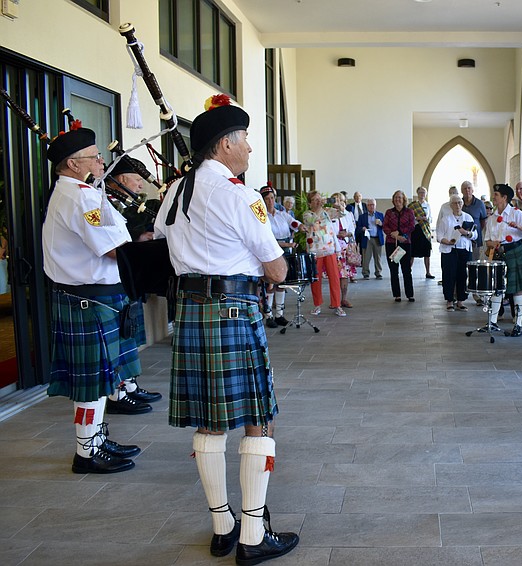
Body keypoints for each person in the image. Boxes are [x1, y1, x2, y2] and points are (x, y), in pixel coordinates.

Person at [154, 94, 299, 561]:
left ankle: (223, 527)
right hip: (234, 310)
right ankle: (254, 537)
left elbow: (157, 240)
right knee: (259, 418)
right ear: (223, 145)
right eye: (245, 140)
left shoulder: (175, 192)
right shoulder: (239, 194)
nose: (250, 149)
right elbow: (276, 271)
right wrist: (277, 260)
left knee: (209, 423)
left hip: (192, 312)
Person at [43, 125, 143, 474]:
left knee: (101, 381)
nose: (102, 161)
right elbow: (113, 248)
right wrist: (151, 255)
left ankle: (96, 439)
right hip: (88, 301)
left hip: (91, 299)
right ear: (73, 163)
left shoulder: (81, 192)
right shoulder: (80, 197)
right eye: (94, 156)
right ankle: (86, 451)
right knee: (91, 385)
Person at [103, 156, 163, 406]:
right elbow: (112, 243)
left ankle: (129, 385)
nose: (140, 185)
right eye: (137, 179)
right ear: (122, 179)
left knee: (127, 337)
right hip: (108, 279)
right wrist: (139, 239)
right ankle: (117, 392)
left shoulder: (124, 203)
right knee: (117, 341)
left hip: (124, 277)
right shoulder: (103, 203)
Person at [485, 184, 522, 337]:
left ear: (504, 198)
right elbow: (487, 240)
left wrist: (518, 226)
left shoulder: (516, 214)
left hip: (516, 252)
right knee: (497, 288)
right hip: (499, 254)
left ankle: (518, 324)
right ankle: (492, 322)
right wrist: (494, 243)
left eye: (496, 195)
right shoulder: (491, 219)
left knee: (518, 290)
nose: (494, 197)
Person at [261, 183, 299, 328]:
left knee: (282, 283)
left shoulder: (283, 214)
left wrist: (303, 226)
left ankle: (279, 315)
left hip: (286, 251)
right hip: (272, 250)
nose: (270, 201)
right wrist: (287, 245)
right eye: (267, 199)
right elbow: (267, 239)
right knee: (271, 283)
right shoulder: (262, 217)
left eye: (272, 198)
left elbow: (294, 223)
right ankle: (269, 315)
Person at [302, 190, 346, 317]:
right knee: (316, 279)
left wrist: (337, 205)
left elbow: (342, 213)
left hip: (329, 250)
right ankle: (317, 305)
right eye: (315, 200)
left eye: (319, 199)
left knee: (334, 278)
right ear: (310, 203)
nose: (318, 201)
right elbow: (312, 221)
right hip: (315, 251)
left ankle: (337, 305)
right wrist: (320, 208)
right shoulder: (307, 214)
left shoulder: (327, 211)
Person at [436, 194, 476, 310]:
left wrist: (467, 233)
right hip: (449, 250)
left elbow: (475, 234)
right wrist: (447, 241)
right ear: (450, 205)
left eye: (459, 202)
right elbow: (439, 235)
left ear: (462, 204)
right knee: (449, 275)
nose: (457, 205)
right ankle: (449, 300)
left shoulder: (468, 217)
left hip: (464, 250)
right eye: (455, 203)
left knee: (462, 275)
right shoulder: (446, 219)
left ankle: (461, 300)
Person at [383, 189, 416, 302]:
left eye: (400, 197)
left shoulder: (409, 212)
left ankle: (410, 294)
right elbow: (385, 226)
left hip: (405, 244)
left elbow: (412, 226)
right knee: (394, 270)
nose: (398, 199)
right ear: (393, 199)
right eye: (396, 197)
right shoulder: (389, 212)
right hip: (392, 244)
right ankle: (397, 294)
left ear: (404, 199)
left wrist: (401, 233)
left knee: (406, 270)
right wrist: (394, 234)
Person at [332, 191, 356, 308]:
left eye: (340, 200)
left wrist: (347, 234)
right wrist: (337, 234)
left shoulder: (348, 214)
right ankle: (334, 300)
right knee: (334, 275)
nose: (338, 203)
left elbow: (352, 230)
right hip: (333, 248)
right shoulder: (329, 214)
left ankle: (344, 299)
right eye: (336, 200)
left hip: (345, 248)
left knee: (345, 275)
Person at [409, 186, 435, 279]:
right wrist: (417, 218)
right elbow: (409, 218)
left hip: (425, 231)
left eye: (424, 192)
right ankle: (408, 271)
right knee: (412, 252)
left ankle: (428, 272)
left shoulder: (428, 205)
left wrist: (427, 219)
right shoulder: (413, 205)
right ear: (417, 193)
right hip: (416, 230)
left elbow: (431, 218)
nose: (422, 194)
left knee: (427, 253)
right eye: (420, 192)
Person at [356, 198, 384, 280]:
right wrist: (362, 228)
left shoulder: (380, 215)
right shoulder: (362, 217)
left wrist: (381, 223)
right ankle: (366, 273)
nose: (371, 206)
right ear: (367, 206)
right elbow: (358, 228)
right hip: (367, 238)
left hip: (377, 238)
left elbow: (385, 226)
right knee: (366, 257)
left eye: (373, 205)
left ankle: (378, 273)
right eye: (369, 205)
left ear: (375, 206)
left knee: (378, 257)